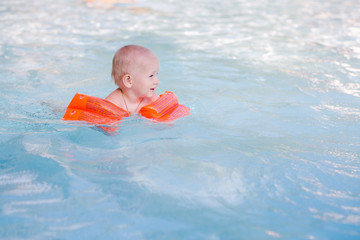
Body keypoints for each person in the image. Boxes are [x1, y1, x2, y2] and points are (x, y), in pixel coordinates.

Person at [105, 45, 160, 114]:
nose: (157, 81)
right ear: (129, 81)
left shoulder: (153, 100)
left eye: (156, 74)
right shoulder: (113, 104)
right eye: (151, 76)